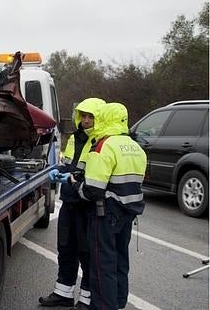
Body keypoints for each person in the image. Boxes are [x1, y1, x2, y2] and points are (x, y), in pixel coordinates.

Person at [72, 102, 147, 310]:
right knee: (120, 261)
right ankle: (119, 302)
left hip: (106, 214)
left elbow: (92, 190)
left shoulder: (104, 145)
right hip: (129, 213)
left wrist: (75, 184)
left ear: (104, 118)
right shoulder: (136, 147)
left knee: (102, 264)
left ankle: (104, 306)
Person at [39, 98, 105, 309]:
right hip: (69, 201)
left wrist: (73, 177)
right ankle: (63, 293)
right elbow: (69, 165)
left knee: (87, 254)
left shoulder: (100, 142)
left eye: (90, 117)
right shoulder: (75, 138)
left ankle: (86, 299)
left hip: (87, 205)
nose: (85, 120)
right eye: (83, 116)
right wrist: (58, 170)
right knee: (66, 249)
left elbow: (96, 176)